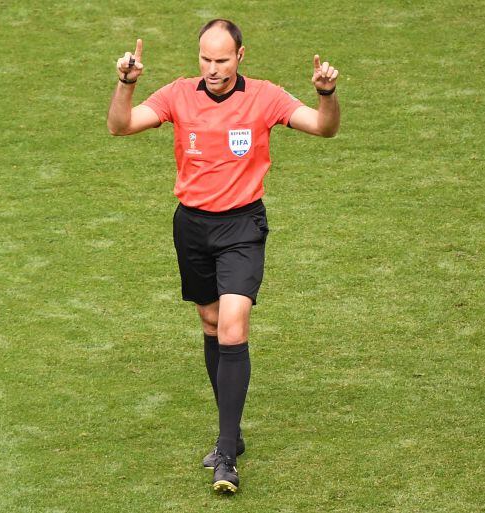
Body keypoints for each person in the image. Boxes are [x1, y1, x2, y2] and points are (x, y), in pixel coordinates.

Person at [106, 19, 340, 494]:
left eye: (221, 60)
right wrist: (125, 84)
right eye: (205, 60)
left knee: (234, 325)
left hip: (242, 226)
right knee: (211, 325)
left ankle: (226, 453)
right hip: (191, 227)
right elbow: (120, 126)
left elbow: (323, 128)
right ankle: (231, 431)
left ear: (240, 56)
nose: (212, 70)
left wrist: (326, 95)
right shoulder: (177, 94)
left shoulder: (265, 97)